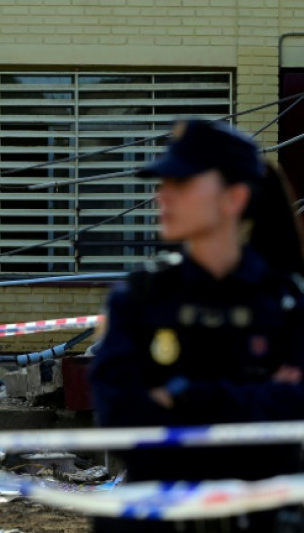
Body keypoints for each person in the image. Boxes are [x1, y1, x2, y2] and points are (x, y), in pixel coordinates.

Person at [89, 119, 304, 532]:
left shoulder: (287, 304)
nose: (161, 195)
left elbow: (290, 432)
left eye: (182, 183)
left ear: (234, 198)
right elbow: (121, 424)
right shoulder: (139, 299)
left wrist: (182, 399)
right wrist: (258, 402)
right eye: (162, 182)